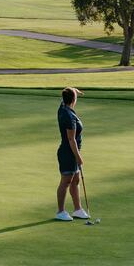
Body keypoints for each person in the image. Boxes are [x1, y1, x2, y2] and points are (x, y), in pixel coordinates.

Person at [56, 87, 89, 221]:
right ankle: (60, 211)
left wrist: (75, 90)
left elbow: (68, 93)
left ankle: (77, 209)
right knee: (66, 181)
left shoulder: (63, 107)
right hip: (68, 153)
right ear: (73, 100)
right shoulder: (69, 117)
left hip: (71, 152)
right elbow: (71, 140)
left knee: (75, 180)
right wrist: (78, 157)